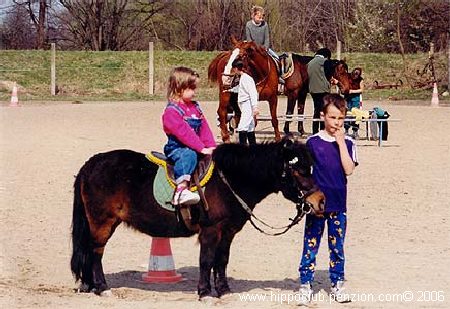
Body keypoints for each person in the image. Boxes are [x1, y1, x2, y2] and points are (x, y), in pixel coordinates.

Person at [297, 94, 358, 305]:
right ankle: (305, 284)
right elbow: (305, 175)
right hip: (317, 206)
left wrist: (341, 143)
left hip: (339, 204)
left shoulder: (349, 142)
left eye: (341, 118)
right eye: (333, 118)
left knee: (337, 246)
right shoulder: (313, 143)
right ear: (323, 116)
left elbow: (349, 170)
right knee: (310, 245)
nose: (337, 123)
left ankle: (338, 283)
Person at [162, 67, 216, 205]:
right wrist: (201, 148)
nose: (194, 92)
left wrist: (211, 146)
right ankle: (181, 189)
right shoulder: (172, 112)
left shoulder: (195, 107)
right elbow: (184, 133)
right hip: (178, 148)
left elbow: (204, 128)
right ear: (179, 89)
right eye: (191, 88)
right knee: (189, 155)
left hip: (196, 146)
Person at [307, 48, 339, 134]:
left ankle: (314, 131)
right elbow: (328, 74)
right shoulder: (324, 61)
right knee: (324, 111)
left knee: (316, 110)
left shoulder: (310, 63)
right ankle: (322, 130)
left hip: (313, 89)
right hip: (323, 89)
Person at [231, 58, 259, 145]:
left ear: (236, 68)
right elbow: (241, 89)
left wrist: (254, 107)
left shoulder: (247, 78)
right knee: (250, 127)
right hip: (244, 105)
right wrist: (230, 90)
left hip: (247, 104)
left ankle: (242, 149)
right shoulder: (243, 78)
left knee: (242, 126)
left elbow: (252, 93)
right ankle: (253, 148)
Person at [344, 67, 364, 139]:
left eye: (357, 74)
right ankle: (346, 130)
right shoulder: (347, 77)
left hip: (356, 98)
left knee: (356, 114)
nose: (356, 75)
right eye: (355, 73)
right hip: (347, 97)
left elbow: (361, 89)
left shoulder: (360, 80)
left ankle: (355, 131)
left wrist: (352, 91)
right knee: (347, 114)